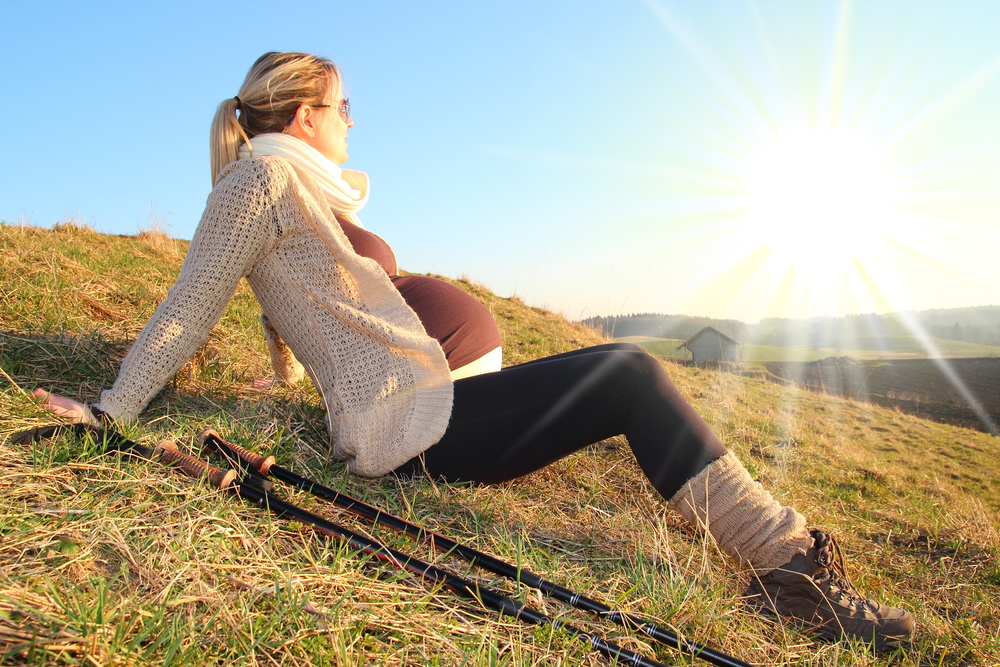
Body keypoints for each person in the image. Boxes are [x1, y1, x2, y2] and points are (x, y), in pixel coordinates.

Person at [33, 51, 914, 649]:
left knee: (624, 375)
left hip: (427, 409)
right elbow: (190, 303)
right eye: (344, 107)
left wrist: (285, 377)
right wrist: (110, 411)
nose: (350, 120)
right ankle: (791, 570)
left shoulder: (290, 185)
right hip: (411, 428)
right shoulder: (260, 180)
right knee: (630, 371)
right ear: (305, 117)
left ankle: (787, 564)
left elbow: (299, 309)